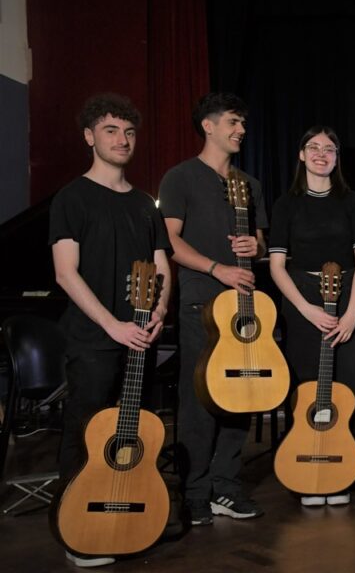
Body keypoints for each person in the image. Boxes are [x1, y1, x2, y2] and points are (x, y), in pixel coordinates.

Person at [50, 93, 171, 568]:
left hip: (141, 337)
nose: (122, 140)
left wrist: (159, 310)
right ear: (89, 137)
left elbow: (163, 264)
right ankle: (77, 532)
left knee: (134, 435)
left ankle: (125, 518)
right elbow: (65, 272)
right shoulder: (72, 198)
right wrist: (113, 325)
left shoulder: (144, 203)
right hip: (95, 339)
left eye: (129, 132)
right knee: (86, 436)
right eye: (110, 131)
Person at [158, 93, 268, 526]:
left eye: (242, 123)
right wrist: (216, 267)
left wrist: (253, 247)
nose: (241, 130)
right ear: (208, 125)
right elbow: (171, 241)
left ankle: (226, 486)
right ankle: (196, 492)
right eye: (233, 122)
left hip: (245, 306)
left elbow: (258, 242)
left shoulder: (250, 184)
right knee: (199, 400)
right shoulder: (181, 177)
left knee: (244, 395)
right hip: (202, 302)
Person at [269, 126, 355, 507]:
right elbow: (277, 266)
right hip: (302, 298)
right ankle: (307, 466)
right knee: (307, 384)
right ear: (301, 155)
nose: (321, 154)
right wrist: (305, 308)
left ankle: (344, 469)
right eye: (313, 147)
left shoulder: (353, 201)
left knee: (348, 385)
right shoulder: (286, 204)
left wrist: (351, 313)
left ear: (336, 157)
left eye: (330, 149)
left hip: (347, 295)